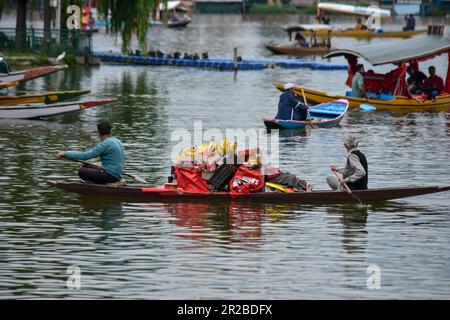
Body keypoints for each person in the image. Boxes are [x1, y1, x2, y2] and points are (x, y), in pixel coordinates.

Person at [57, 121, 125, 185]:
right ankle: (115, 181)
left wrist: (66, 153)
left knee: (81, 171)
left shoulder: (105, 144)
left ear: (98, 132)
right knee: (86, 165)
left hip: (111, 176)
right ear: (111, 131)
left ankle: (97, 184)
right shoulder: (118, 141)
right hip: (118, 175)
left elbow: (85, 156)